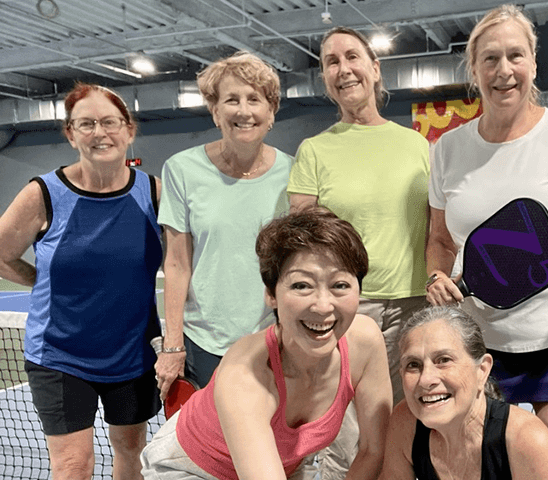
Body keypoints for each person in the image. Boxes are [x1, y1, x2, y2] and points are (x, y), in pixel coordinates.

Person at [425, 5, 548, 478]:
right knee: (486, 468)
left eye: (515, 56)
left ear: (533, 62)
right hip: (480, 342)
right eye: (490, 59)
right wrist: (436, 276)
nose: (503, 70)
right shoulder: (447, 149)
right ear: (474, 70)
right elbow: (439, 241)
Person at [140, 207, 393, 480]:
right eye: (301, 286)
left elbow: (372, 451)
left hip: (279, 465)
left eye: (340, 285)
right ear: (271, 295)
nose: (323, 306)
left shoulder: (364, 342)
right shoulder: (246, 376)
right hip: (190, 468)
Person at [287, 26, 430, 478]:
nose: (343, 68)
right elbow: (302, 242)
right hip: (349, 312)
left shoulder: (417, 145)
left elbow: (438, 231)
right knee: (346, 435)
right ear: (325, 79)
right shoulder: (314, 151)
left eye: (352, 57)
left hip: (415, 307)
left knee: (410, 426)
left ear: (375, 68)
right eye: (331, 62)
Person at [0, 83, 161, 480]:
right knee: (73, 466)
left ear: (128, 130)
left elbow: (181, 263)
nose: (98, 132)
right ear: (71, 134)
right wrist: (39, 280)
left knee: (131, 451)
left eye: (109, 122)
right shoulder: (43, 194)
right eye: (85, 123)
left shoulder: (154, 191)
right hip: (60, 357)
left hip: (134, 354)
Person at [156, 51, 292, 397]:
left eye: (255, 100)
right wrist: (173, 345)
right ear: (215, 111)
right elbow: (176, 262)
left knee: (274, 445)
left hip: (274, 338)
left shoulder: (294, 172)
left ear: (271, 112)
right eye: (231, 100)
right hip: (203, 343)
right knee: (208, 449)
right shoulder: (181, 170)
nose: (244, 111)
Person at [380, 305, 548, 479]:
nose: (426, 379)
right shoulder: (405, 422)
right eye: (413, 365)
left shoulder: (526, 439)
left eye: (444, 360)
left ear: (482, 370)